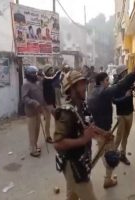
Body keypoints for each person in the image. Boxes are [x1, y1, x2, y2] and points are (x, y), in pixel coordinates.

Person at [87, 54, 135, 188]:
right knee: (109, 155)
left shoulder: (92, 92)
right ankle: (102, 179)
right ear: (101, 82)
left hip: (97, 129)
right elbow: (127, 81)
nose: (108, 82)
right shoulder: (104, 92)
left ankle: (93, 175)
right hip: (104, 130)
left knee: (101, 153)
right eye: (106, 80)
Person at [53, 70, 102, 200]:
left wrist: (103, 134)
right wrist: (83, 140)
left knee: (72, 194)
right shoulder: (66, 113)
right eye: (81, 84)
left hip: (81, 159)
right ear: (72, 88)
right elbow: (57, 143)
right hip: (72, 164)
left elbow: (88, 125)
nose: (85, 87)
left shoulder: (82, 105)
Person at [21, 65, 46, 157]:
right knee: (32, 131)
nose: (36, 75)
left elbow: (42, 80)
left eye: (36, 73)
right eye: (34, 74)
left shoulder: (36, 82)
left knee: (37, 130)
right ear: (29, 75)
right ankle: (32, 150)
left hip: (38, 110)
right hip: (31, 111)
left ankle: (35, 145)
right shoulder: (26, 84)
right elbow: (24, 98)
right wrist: (34, 102)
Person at [113, 65, 133, 166]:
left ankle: (122, 154)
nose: (127, 73)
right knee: (119, 136)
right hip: (121, 114)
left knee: (126, 136)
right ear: (121, 73)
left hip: (130, 112)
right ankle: (112, 154)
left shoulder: (129, 82)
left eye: (127, 71)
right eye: (125, 72)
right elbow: (114, 101)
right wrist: (125, 97)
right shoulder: (116, 85)